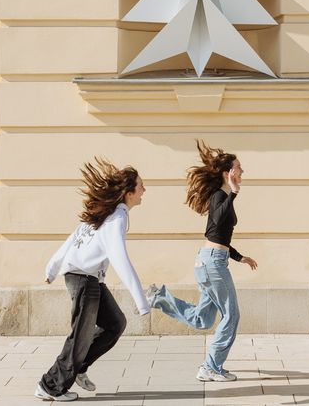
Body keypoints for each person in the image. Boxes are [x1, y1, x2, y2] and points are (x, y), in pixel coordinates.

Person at [35, 157, 150, 402]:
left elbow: (73, 238)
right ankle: (50, 386)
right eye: (141, 185)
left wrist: (52, 268)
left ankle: (78, 368)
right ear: (129, 193)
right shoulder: (116, 218)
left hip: (89, 279)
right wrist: (141, 301)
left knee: (115, 323)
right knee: (81, 335)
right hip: (82, 279)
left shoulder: (105, 212)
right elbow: (121, 260)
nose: (144, 190)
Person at [146, 141, 257, 382]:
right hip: (212, 265)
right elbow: (217, 220)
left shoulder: (222, 197)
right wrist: (234, 192)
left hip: (209, 261)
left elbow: (218, 236)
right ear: (227, 173)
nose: (242, 171)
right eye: (239, 167)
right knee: (232, 315)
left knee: (202, 319)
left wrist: (239, 257)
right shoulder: (221, 196)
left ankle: (159, 298)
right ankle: (210, 367)